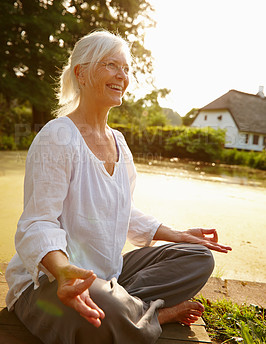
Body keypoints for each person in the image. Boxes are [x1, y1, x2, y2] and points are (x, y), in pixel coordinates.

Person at [5, 30, 232, 344]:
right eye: (111, 65)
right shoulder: (57, 137)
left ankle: (128, 309)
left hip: (107, 275)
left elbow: (122, 212)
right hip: (50, 284)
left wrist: (178, 234)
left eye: (126, 69)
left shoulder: (120, 144)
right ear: (80, 73)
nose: (122, 76)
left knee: (198, 258)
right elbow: (37, 223)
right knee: (104, 311)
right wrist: (64, 271)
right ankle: (155, 314)